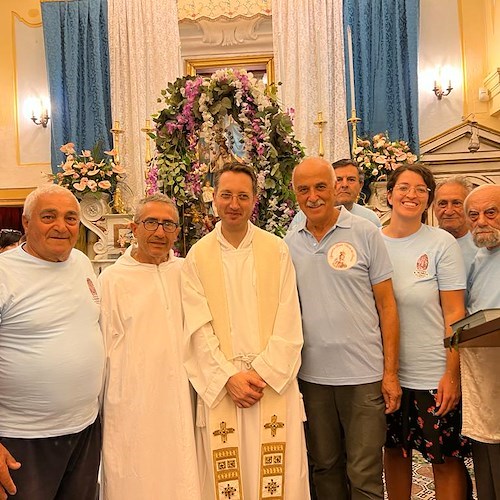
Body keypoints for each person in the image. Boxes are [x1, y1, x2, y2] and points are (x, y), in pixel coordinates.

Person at [182, 162, 310, 499]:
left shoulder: (276, 249)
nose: (234, 204)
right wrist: (228, 377)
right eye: (226, 195)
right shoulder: (198, 256)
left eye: (242, 196)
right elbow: (196, 327)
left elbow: (289, 318)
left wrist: (262, 373)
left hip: (271, 385)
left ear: (255, 199)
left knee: (275, 476)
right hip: (224, 387)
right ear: (213, 198)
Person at [285, 157, 401, 499]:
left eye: (321, 186)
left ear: (336, 187)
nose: (313, 196)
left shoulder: (365, 232)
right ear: (295, 194)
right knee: (324, 468)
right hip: (312, 378)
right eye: (304, 189)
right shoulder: (290, 243)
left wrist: (390, 372)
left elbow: (387, 305)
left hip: (363, 376)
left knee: (364, 473)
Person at [0, 184, 104, 500]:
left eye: (71, 218)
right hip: (22, 439)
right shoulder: (4, 273)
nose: (62, 226)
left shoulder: (82, 263)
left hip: (84, 430)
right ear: (26, 222)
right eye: (49, 216)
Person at [98, 194, 201, 499]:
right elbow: (102, 348)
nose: (159, 232)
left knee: (182, 473)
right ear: (134, 227)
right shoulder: (113, 280)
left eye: (168, 224)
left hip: (181, 398)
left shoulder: (186, 273)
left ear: (177, 231)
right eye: (151, 222)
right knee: (134, 477)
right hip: (132, 403)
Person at [381, 164, 471, 500]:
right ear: (389, 195)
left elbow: (454, 313)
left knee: (445, 458)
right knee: (394, 453)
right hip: (388, 372)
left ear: (428, 198)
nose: (412, 194)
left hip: (433, 372)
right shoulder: (373, 242)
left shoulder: (440, 243)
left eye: (421, 189)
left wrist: (452, 372)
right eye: (404, 187)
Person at [462, 184, 500, 499]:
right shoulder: (480, 255)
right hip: (482, 366)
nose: (481, 221)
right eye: (473, 215)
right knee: (485, 452)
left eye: (491, 212)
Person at [288, 158, 381, 231]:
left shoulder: (370, 220)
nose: (344, 185)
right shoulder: (302, 217)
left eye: (351, 179)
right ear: (333, 184)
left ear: (361, 185)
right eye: (339, 179)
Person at [433, 176, 477, 274]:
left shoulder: (483, 245)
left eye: (456, 203)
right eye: (442, 204)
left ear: (470, 207)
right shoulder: (425, 243)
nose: (449, 211)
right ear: (433, 208)